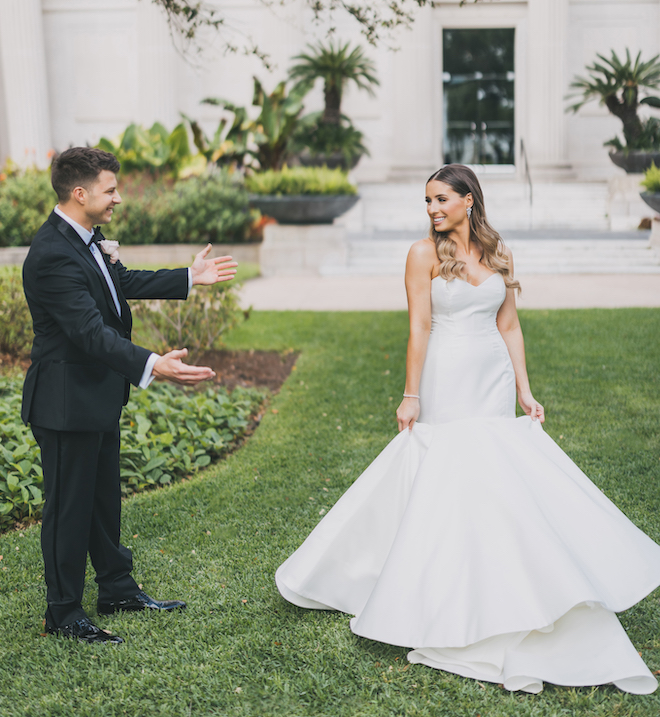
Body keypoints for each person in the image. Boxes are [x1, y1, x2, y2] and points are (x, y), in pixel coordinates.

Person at [276, 164, 660, 695]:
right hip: (447, 375)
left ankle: (509, 580)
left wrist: (525, 388)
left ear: (469, 201)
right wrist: (411, 394)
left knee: (496, 479)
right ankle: (438, 589)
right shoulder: (421, 255)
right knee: (449, 477)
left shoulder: (498, 250)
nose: (432, 209)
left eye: (441, 199)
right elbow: (418, 326)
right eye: (427, 201)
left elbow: (509, 325)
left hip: (493, 378)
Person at [22, 147, 237, 645]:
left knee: (102, 502)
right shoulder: (52, 253)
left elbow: (118, 284)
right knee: (67, 508)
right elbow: (89, 332)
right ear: (81, 194)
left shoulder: (85, 240)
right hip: (64, 402)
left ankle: (117, 588)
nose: (118, 198)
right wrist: (150, 364)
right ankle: (63, 612)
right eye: (110, 189)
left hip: (94, 395)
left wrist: (189, 277)